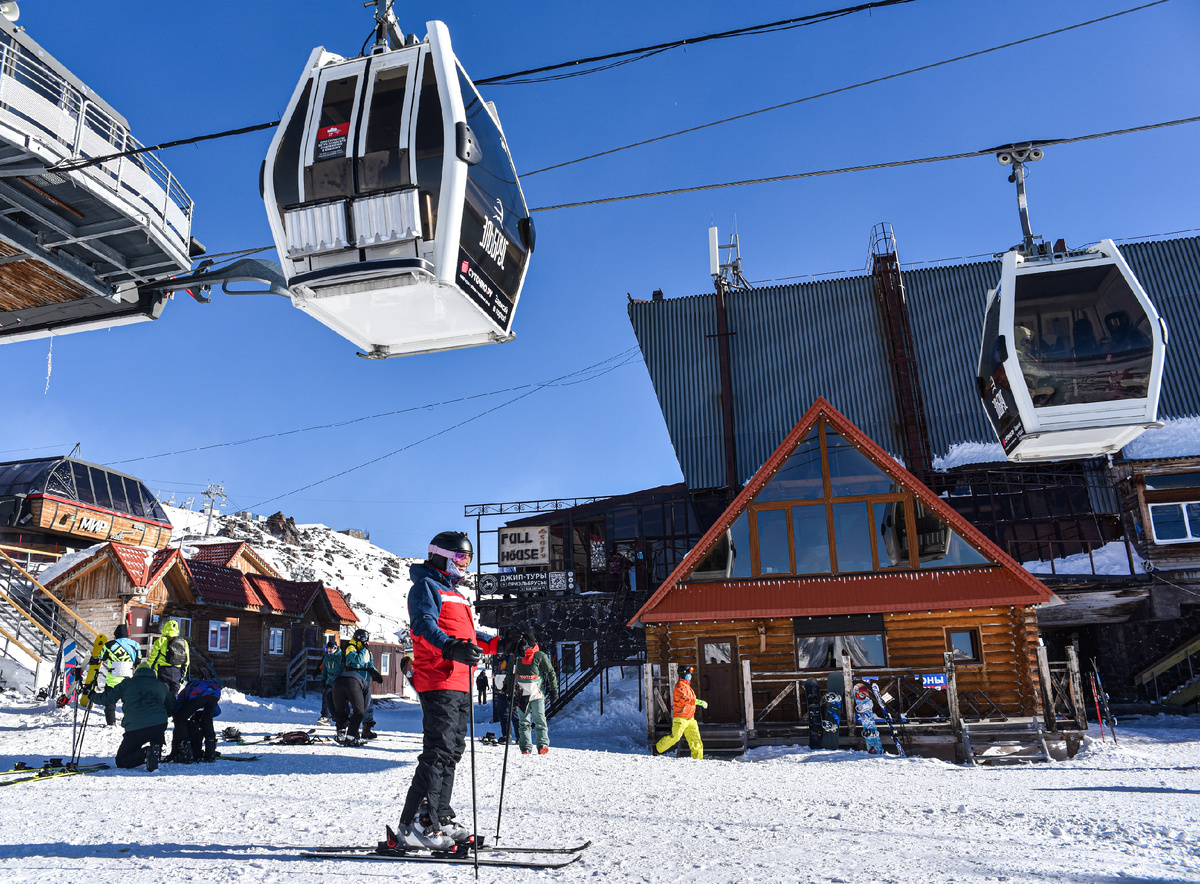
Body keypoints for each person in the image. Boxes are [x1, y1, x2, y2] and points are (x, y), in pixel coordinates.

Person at [394, 531, 499, 851]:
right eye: (460, 557)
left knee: (452, 751)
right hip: (437, 678)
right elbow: (424, 627)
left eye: (468, 558)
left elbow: (470, 635)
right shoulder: (425, 587)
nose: (465, 564)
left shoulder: (455, 593)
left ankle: (439, 815)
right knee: (438, 751)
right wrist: (450, 648)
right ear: (440, 555)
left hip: (460, 682)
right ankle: (414, 823)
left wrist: (500, 643)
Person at [87, 661, 176, 771]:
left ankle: (146, 752)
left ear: (136, 672)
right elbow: (171, 706)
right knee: (155, 734)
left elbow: (108, 698)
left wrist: (91, 695)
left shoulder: (127, 683)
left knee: (122, 760)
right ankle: (155, 749)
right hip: (159, 725)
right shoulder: (161, 685)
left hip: (136, 727)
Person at [332, 628, 382, 743]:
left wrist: (375, 673)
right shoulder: (351, 648)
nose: (366, 641)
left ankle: (366, 729)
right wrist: (364, 650)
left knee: (367, 707)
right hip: (353, 683)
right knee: (355, 708)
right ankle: (353, 731)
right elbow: (357, 662)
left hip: (364, 682)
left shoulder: (367, 651)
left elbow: (369, 663)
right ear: (358, 638)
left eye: (367, 638)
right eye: (364, 638)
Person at [512, 631, 558, 756]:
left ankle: (542, 744)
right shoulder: (516, 656)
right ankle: (526, 747)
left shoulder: (540, 656)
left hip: (537, 694)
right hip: (521, 694)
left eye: (526, 644)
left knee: (540, 719)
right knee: (524, 722)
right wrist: (509, 691)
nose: (524, 647)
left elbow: (551, 672)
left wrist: (554, 690)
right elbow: (510, 674)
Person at [654, 665, 707, 760]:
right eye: (688, 673)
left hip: (690, 718)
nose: (690, 675)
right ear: (683, 674)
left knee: (695, 739)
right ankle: (657, 749)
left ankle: (698, 759)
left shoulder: (688, 687)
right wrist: (698, 702)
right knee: (675, 737)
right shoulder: (680, 686)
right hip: (681, 718)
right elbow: (685, 699)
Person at [169, 676, 221, 763]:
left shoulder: (187, 689)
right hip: (215, 693)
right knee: (207, 720)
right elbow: (217, 711)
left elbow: (179, 706)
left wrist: (175, 717)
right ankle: (210, 753)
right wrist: (201, 716)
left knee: (180, 719)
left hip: (199, 694)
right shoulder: (205, 684)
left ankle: (187, 752)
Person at [98, 624, 141, 727]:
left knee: (110, 702)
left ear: (116, 634)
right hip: (128, 678)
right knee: (128, 702)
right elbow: (138, 661)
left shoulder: (109, 644)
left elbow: (101, 657)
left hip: (113, 677)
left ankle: (111, 723)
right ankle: (129, 722)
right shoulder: (135, 644)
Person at [147, 618, 190, 694]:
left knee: (162, 694)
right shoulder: (183, 642)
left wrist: (148, 668)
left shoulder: (161, 641)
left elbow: (153, 657)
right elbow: (186, 660)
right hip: (177, 671)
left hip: (163, 670)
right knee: (173, 695)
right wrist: (183, 674)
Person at [317, 636, 342, 724]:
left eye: (330, 649)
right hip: (330, 681)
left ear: (335, 648)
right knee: (326, 697)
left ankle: (342, 717)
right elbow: (324, 670)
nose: (329, 650)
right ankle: (325, 717)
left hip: (340, 682)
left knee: (340, 700)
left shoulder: (340, 657)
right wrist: (323, 680)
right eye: (327, 649)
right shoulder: (327, 657)